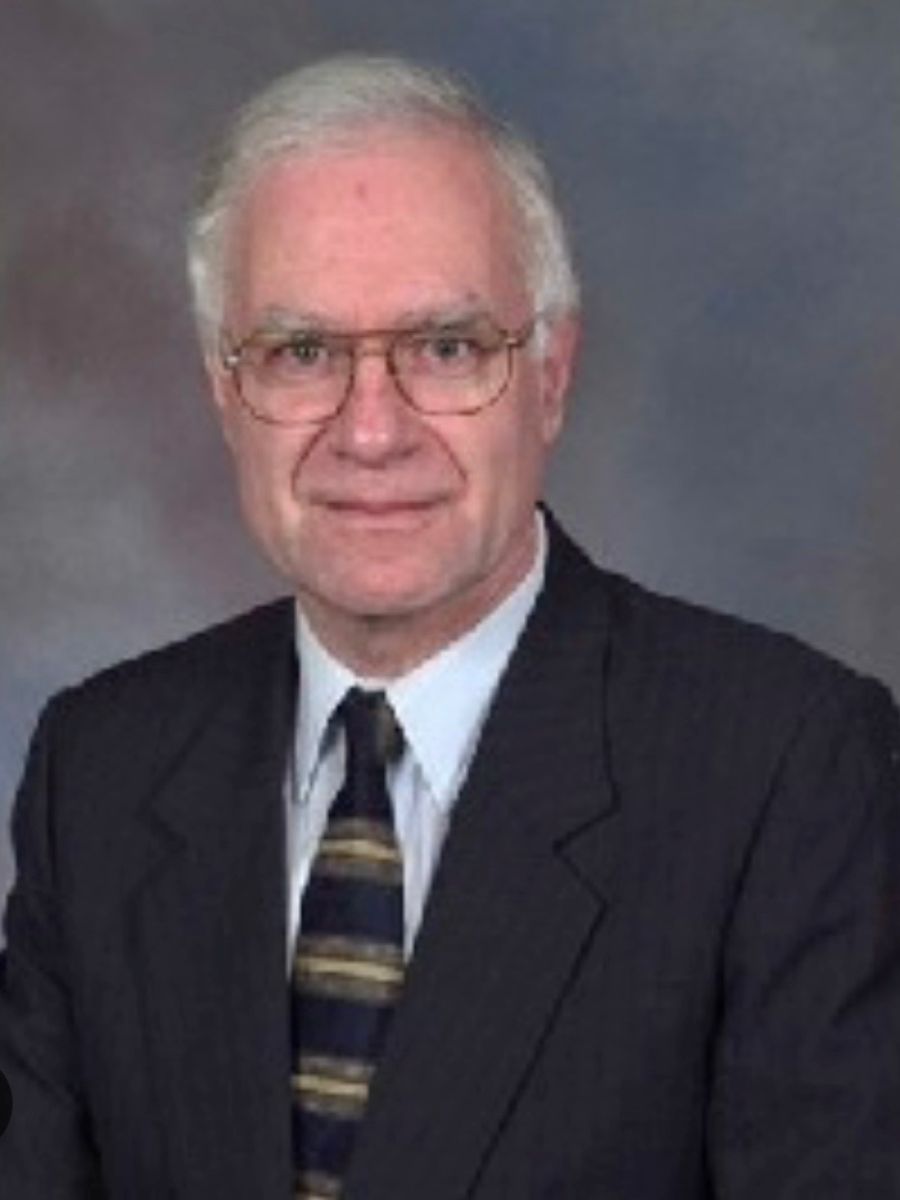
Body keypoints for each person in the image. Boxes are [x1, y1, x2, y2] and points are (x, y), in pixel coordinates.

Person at [1, 52, 899, 1200]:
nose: (371, 432)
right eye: (302, 353)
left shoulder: (785, 769)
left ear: (552, 377)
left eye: (446, 348)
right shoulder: (100, 768)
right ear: (226, 391)